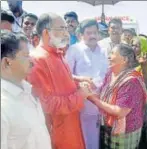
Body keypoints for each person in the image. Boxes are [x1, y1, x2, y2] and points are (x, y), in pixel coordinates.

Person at [27, 13, 92, 149]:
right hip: (58, 135)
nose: (66, 33)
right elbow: (46, 104)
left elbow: (60, 82)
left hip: (70, 127)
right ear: (46, 32)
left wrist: (77, 83)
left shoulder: (57, 54)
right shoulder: (37, 60)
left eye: (66, 28)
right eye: (61, 28)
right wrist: (80, 95)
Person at [88, 43, 147, 149]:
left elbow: (120, 111)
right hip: (109, 127)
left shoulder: (131, 81)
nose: (109, 56)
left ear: (124, 59)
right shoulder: (111, 73)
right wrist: (89, 89)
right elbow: (102, 93)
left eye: (112, 53)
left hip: (125, 132)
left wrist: (92, 99)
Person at [1, 31, 52, 149]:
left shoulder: (28, 91)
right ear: (7, 62)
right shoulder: (3, 105)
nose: (32, 60)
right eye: (26, 55)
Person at [66, 19, 108, 149]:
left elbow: (107, 73)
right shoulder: (74, 50)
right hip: (81, 102)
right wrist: (82, 79)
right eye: (89, 33)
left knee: (95, 137)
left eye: (95, 32)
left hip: (101, 102)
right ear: (81, 35)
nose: (93, 36)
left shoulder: (103, 51)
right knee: (81, 137)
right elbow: (66, 75)